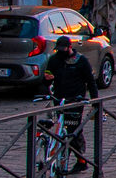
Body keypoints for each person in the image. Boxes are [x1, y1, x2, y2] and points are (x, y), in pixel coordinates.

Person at [42, 34, 98, 165]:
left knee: (73, 129)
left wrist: (95, 101)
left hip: (76, 99)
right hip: (59, 98)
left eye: (63, 49)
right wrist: (46, 79)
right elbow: (46, 79)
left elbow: (90, 82)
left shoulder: (81, 61)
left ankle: (81, 159)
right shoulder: (54, 60)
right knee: (61, 127)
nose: (61, 52)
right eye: (59, 50)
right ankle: (63, 158)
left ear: (69, 47)